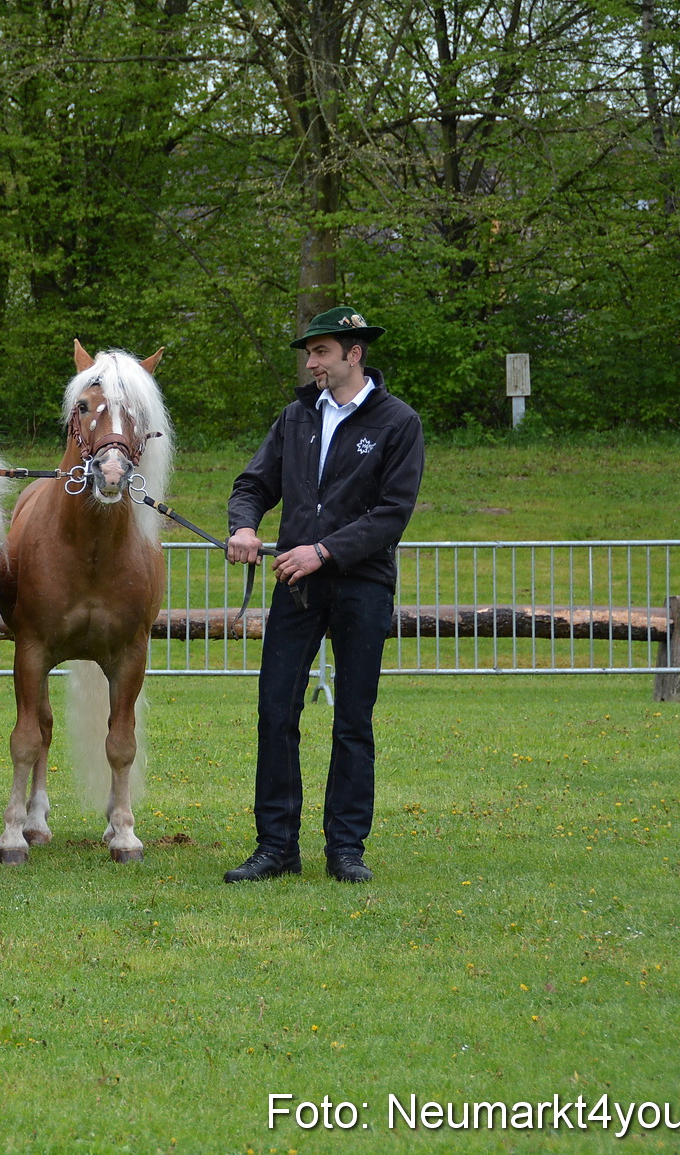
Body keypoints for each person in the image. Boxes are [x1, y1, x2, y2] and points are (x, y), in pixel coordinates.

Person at [223, 306, 424, 884]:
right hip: (296, 584)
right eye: (309, 354)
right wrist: (244, 524)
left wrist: (324, 551)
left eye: (320, 353)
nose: (311, 363)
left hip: (361, 583)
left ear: (352, 355)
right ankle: (276, 847)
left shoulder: (398, 422)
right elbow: (253, 483)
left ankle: (345, 850)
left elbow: (392, 514)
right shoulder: (295, 417)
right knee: (274, 710)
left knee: (353, 721)